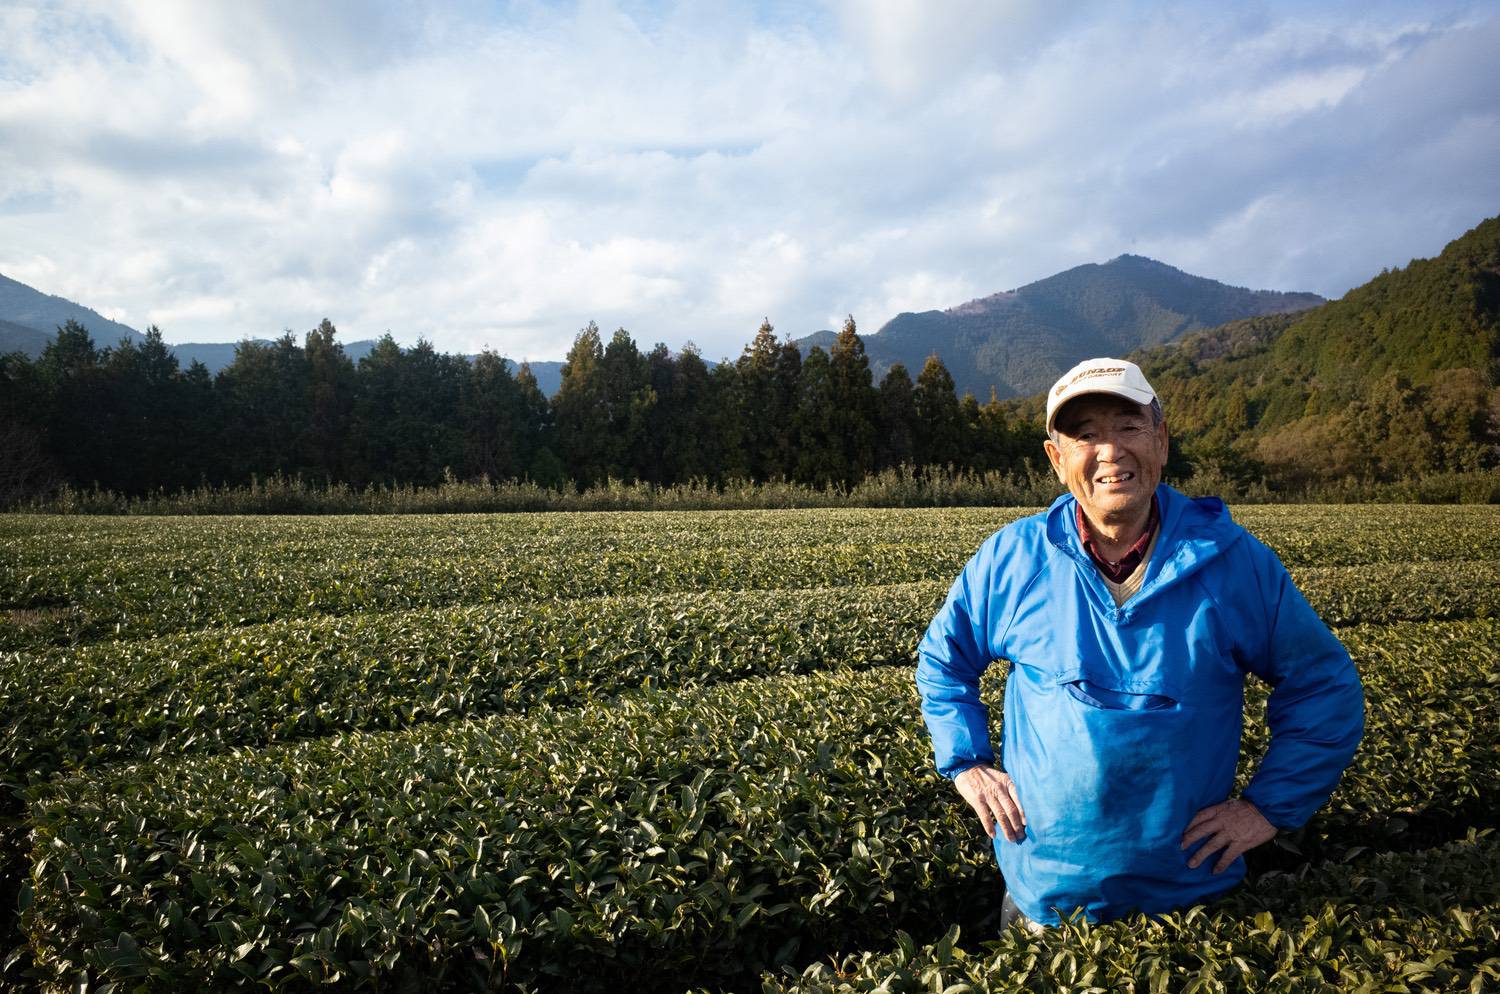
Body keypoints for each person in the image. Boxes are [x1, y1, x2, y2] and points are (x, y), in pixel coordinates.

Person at [915, 357, 1364, 928]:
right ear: (1057, 459)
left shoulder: (1232, 563)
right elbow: (943, 661)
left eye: (1128, 428)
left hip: (1192, 896)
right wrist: (966, 763)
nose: (1109, 452)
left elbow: (1323, 684)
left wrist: (1267, 808)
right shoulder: (1014, 558)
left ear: (1161, 440)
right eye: (1085, 436)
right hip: (1046, 893)